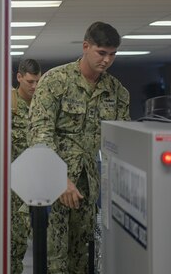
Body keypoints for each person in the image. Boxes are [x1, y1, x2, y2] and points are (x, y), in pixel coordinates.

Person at [27, 21, 131, 274]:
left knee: (84, 258)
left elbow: (123, 142)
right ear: (86, 47)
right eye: (101, 53)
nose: (107, 60)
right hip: (51, 186)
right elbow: (39, 133)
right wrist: (59, 177)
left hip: (90, 188)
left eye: (112, 54)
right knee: (53, 260)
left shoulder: (116, 91)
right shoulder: (56, 80)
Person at [10, 59, 42, 274]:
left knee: (43, 236)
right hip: (14, 181)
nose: (34, 86)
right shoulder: (7, 105)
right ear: (19, 77)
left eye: (37, 81)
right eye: (30, 81)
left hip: (40, 179)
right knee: (16, 239)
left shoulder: (44, 104)